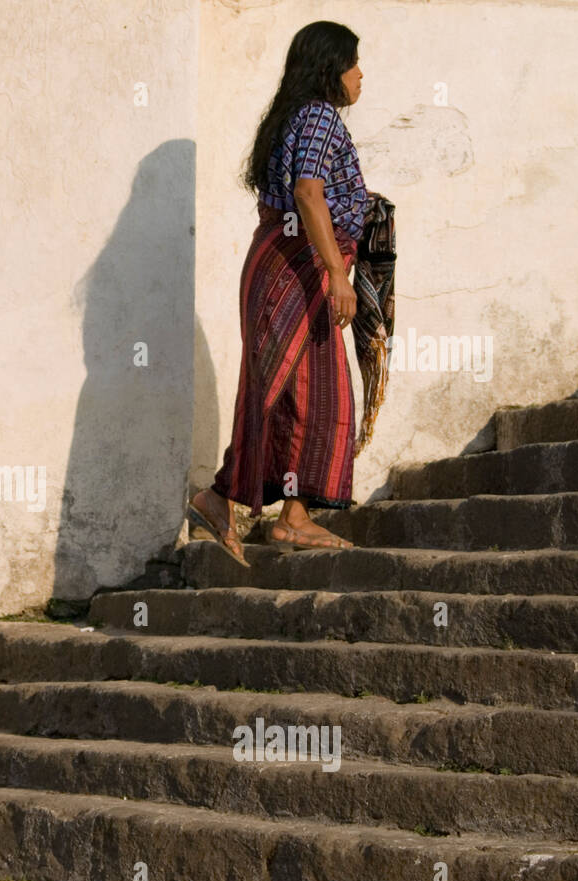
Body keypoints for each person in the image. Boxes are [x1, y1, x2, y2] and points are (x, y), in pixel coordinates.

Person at [189, 20, 369, 565]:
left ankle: (293, 517)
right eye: (353, 63)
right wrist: (339, 274)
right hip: (299, 266)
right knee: (277, 385)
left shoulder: (295, 116)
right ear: (328, 68)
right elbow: (309, 194)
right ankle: (220, 498)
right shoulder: (318, 114)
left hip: (290, 261)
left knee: (314, 390)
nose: (361, 75)